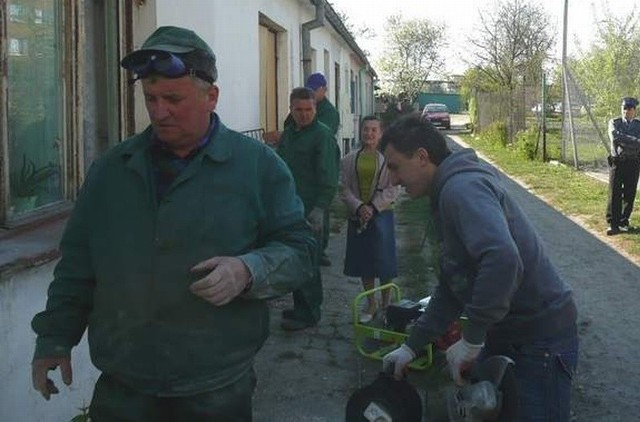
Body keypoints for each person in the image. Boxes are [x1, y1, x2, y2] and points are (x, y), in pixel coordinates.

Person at [30, 26, 315, 421]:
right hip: (124, 387)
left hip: (214, 389)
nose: (159, 111)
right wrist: (54, 337)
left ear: (211, 96)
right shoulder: (112, 171)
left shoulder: (258, 167)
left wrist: (248, 270)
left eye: (174, 99)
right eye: (150, 98)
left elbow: (301, 250)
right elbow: (79, 262)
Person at [380, 115, 578, 421]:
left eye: (394, 167)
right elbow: (453, 283)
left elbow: (502, 259)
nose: (392, 180)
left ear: (422, 157)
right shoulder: (446, 192)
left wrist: (472, 338)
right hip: (508, 333)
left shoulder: (461, 189)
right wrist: (412, 346)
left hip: (540, 340)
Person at [276, 87, 339, 331]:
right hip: (290, 208)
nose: (303, 115)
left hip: (311, 209)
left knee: (309, 263)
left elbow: (329, 177)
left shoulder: (321, 136)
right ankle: (300, 306)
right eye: (298, 110)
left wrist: (320, 209)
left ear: (315, 108)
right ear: (291, 109)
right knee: (297, 260)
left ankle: (310, 313)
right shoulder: (291, 133)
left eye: (308, 110)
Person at [339, 116, 399, 323]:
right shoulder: (348, 159)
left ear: (380, 133)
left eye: (374, 130)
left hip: (382, 214)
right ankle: (371, 304)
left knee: (384, 260)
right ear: (360, 131)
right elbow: (344, 188)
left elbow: (393, 189)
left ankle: (387, 304)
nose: (369, 134)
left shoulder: (388, 160)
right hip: (358, 216)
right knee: (365, 261)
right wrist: (359, 207)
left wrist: (373, 207)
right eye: (366, 129)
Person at [606, 97, 640, 235]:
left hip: (633, 162)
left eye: (629, 109)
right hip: (618, 161)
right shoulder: (614, 122)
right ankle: (613, 224)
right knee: (614, 192)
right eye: (624, 108)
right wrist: (635, 140)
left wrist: (625, 140)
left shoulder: (638, 125)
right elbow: (615, 137)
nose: (626, 111)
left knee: (629, 193)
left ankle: (624, 221)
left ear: (635, 111)